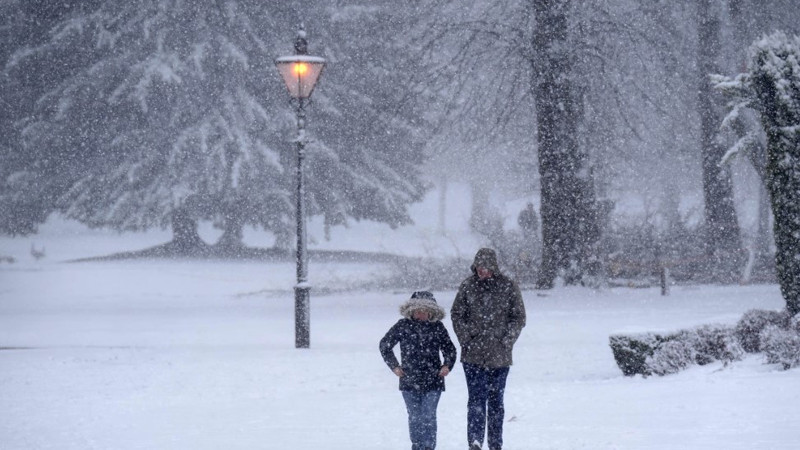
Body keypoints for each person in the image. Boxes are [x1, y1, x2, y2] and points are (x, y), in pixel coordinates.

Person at [451, 248, 526, 450]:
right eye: (479, 267)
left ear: (493, 267)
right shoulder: (467, 286)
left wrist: (506, 340)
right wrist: (466, 338)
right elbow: (457, 314)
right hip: (472, 357)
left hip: (499, 358)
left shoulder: (508, 287)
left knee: (496, 404)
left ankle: (495, 444)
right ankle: (475, 441)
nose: (482, 271)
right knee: (475, 401)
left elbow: (518, 317)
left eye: (485, 267)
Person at [380, 291, 457, 450]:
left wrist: (447, 365)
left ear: (432, 311)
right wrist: (394, 366)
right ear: (411, 310)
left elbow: (450, 350)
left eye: (424, 310)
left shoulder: (437, 327)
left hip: (433, 380)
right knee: (415, 417)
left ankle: (428, 447)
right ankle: (417, 446)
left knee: (428, 416)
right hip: (409, 380)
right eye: (417, 310)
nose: (420, 313)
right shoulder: (402, 326)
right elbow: (385, 345)